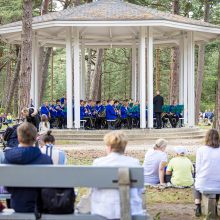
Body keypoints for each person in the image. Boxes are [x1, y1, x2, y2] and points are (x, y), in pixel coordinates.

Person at [91, 131, 143, 219]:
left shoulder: (98, 162)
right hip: (131, 209)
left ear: (109, 147)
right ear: (124, 147)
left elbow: (93, 187)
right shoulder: (134, 163)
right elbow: (139, 190)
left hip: (103, 210)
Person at [4, 122, 52, 213]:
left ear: (18, 138)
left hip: (16, 205)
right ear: (35, 138)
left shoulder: (8, 158)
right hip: (39, 207)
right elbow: (47, 186)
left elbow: (8, 187)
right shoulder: (46, 160)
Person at [194, 129, 220, 217]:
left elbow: (198, 168)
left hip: (204, 181)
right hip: (218, 182)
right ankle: (215, 205)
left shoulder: (201, 150)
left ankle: (197, 205)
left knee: (196, 184)